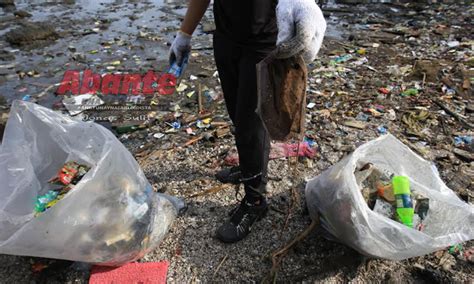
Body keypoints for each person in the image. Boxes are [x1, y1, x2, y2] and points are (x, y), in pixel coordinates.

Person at [169, 0, 326, 243]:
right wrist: (184, 34)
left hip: (266, 38)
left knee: (251, 122)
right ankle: (250, 168)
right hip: (226, 35)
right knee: (237, 112)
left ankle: (255, 201)